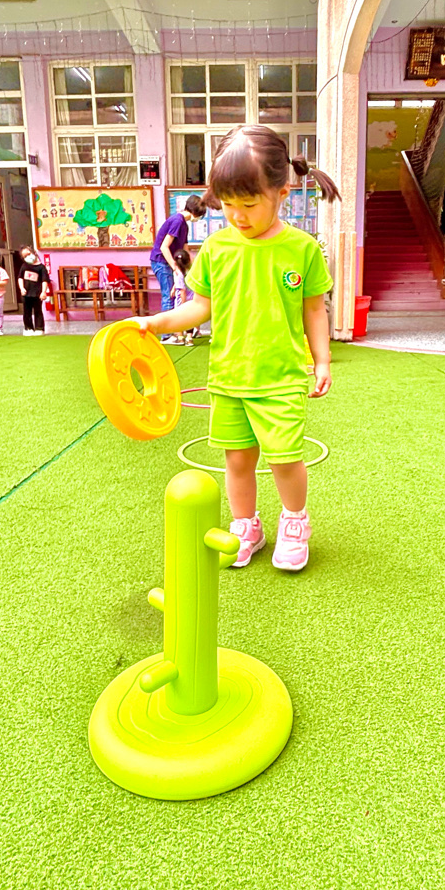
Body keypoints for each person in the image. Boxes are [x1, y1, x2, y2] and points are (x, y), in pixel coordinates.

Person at [135, 125, 340, 573]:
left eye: (248, 205)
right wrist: (154, 322)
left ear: (282, 193)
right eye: (228, 205)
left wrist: (322, 360)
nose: (237, 216)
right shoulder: (216, 248)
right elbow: (199, 307)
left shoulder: (302, 249)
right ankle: (247, 526)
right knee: (238, 459)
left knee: (285, 458)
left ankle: (295, 522)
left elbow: (314, 310)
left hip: (281, 378)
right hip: (228, 379)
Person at [149, 195, 206, 340]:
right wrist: (175, 267)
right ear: (196, 212)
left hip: (170, 262)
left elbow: (185, 249)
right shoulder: (177, 221)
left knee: (173, 294)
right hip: (161, 261)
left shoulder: (184, 225)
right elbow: (164, 247)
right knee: (169, 295)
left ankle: (178, 332)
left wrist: (193, 267)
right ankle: (167, 335)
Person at [18, 247, 51, 336]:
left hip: (37, 294)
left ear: (34, 253)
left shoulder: (41, 267)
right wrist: (22, 288)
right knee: (27, 311)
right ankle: (28, 328)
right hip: (26, 293)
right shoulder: (24, 266)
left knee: (38, 311)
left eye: (29, 254)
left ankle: (39, 328)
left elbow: (45, 280)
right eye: (25, 256)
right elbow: (20, 278)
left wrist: (43, 292)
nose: (28, 257)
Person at [167, 249, 194, 347]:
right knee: (190, 319)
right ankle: (189, 338)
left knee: (178, 319)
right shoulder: (189, 272)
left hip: (182, 301)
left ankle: (180, 337)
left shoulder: (179, 275)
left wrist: (183, 304)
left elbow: (182, 291)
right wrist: (174, 288)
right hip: (192, 300)